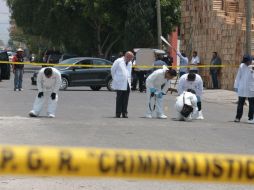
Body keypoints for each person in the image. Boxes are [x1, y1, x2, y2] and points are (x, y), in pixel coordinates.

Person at [111, 51, 134, 118]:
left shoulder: (130, 62)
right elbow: (112, 70)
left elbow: (129, 72)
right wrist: (115, 78)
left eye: (132, 58)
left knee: (126, 98)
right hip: (119, 82)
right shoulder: (118, 61)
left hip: (127, 82)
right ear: (127, 56)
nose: (131, 60)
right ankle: (118, 113)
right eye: (130, 58)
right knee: (119, 98)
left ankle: (124, 113)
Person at [234, 54, 254, 123]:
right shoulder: (242, 66)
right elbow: (238, 76)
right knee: (240, 103)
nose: (247, 63)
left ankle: (250, 118)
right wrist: (236, 86)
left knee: (251, 104)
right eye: (246, 62)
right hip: (243, 88)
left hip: (250, 88)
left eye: (248, 61)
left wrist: (252, 71)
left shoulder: (252, 66)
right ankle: (238, 117)